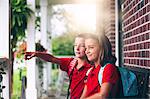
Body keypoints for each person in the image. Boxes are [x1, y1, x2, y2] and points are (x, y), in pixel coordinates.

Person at [25, 34, 91, 99]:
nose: (77, 48)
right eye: (75, 45)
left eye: (81, 45)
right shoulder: (71, 63)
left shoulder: (93, 68)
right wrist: (37, 54)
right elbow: (52, 59)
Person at [80, 33, 119, 99]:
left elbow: (102, 96)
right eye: (86, 48)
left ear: (102, 48)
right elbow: (83, 96)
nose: (87, 51)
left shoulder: (108, 68)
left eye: (91, 47)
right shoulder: (91, 71)